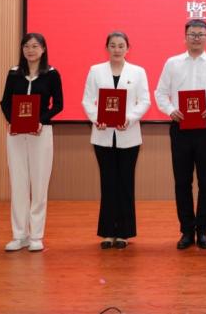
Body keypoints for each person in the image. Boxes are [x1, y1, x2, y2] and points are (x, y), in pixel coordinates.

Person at [155, 19, 206, 250]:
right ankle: (186, 231)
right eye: (192, 34)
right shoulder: (172, 63)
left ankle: (203, 231)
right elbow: (160, 93)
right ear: (185, 37)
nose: (196, 38)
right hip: (180, 127)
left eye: (201, 34)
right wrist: (171, 110)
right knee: (182, 182)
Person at [82, 31, 150, 249]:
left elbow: (145, 101)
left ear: (128, 48)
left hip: (129, 136)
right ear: (107, 48)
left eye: (121, 46)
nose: (117, 49)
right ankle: (107, 232)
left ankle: (124, 233)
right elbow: (87, 100)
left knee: (125, 183)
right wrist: (97, 118)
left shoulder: (138, 72)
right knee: (108, 183)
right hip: (102, 136)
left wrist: (129, 118)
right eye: (113, 45)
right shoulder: (96, 71)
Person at [0, 33, 64, 252]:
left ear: (43, 49)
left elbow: (58, 104)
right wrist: (12, 121)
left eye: (35, 46)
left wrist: (40, 121)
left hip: (41, 133)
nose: (30, 50)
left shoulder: (52, 74)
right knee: (18, 183)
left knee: (39, 184)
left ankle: (36, 235)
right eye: (26, 46)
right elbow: (5, 102)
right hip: (16, 135)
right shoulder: (14, 73)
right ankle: (19, 235)